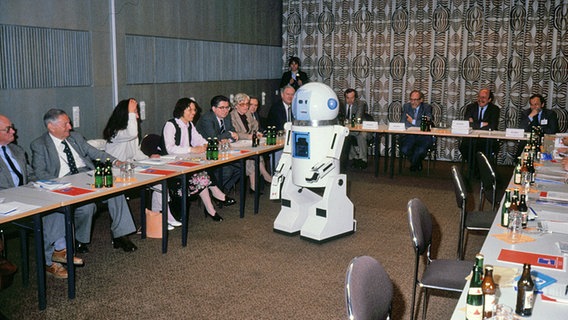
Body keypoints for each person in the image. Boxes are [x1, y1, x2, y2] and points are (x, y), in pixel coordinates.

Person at [31, 109, 138, 253]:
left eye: (69, 122)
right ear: (51, 127)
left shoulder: (75, 137)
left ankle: (120, 234)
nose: (70, 126)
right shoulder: (40, 145)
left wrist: (117, 162)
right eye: (66, 124)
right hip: (64, 181)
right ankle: (80, 240)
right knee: (87, 207)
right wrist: (60, 183)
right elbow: (39, 173)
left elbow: (96, 153)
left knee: (115, 190)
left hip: (86, 175)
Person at [0, 114, 81, 279]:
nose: (14, 131)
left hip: (26, 196)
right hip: (6, 203)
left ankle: (59, 251)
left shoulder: (17, 150)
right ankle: (51, 259)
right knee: (46, 215)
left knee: (58, 204)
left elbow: (31, 175)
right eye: (8, 129)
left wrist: (47, 186)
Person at [102, 98, 180, 230]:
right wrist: (131, 112)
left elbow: (135, 152)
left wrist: (148, 157)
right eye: (134, 113)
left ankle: (161, 215)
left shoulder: (129, 132)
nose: (137, 116)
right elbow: (131, 133)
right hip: (116, 171)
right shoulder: (116, 131)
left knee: (160, 180)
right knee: (156, 182)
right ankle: (162, 216)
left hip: (130, 168)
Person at [162, 98, 236, 221]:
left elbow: (199, 140)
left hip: (185, 161)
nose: (193, 112)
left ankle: (211, 208)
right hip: (170, 163)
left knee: (202, 173)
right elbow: (170, 149)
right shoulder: (171, 125)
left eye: (194, 110)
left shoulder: (190, 125)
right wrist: (191, 149)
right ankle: (217, 196)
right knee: (202, 174)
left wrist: (208, 144)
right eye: (189, 110)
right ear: (181, 110)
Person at [195, 95, 241, 193]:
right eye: (222, 108)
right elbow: (214, 138)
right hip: (207, 153)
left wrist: (228, 138)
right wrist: (228, 135)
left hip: (221, 151)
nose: (225, 111)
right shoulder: (207, 118)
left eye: (227, 108)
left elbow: (233, 133)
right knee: (227, 171)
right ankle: (216, 192)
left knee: (241, 167)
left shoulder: (227, 116)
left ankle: (223, 190)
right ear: (214, 109)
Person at [229, 93, 273, 193]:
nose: (245, 106)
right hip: (236, 144)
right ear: (236, 105)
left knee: (255, 152)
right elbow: (235, 133)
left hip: (247, 143)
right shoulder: (232, 116)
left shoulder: (248, 114)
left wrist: (256, 133)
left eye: (247, 104)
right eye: (242, 104)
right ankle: (261, 180)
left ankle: (255, 184)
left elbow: (255, 126)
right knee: (251, 155)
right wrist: (248, 136)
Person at [459, 88, 500, 163]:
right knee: (465, 147)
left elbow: (492, 126)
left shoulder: (495, 109)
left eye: (483, 97)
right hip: (471, 139)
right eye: (479, 97)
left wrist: (474, 123)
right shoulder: (470, 107)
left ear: (489, 99)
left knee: (482, 150)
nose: (480, 99)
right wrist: (482, 124)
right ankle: (473, 170)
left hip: (487, 139)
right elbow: (467, 124)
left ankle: (478, 170)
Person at [399, 90, 434, 172]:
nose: (413, 102)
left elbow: (427, 122)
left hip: (423, 136)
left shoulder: (427, 107)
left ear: (421, 100)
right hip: (409, 136)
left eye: (415, 100)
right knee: (404, 149)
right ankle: (417, 163)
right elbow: (403, 122)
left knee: (421, 151)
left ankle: (414, 164)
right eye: (411, 99)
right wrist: (418, 123)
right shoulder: (406, 106)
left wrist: (413, 122)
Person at [267, 85, 296, 166]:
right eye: (288, 94)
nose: (290, 97)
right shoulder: (276, 108)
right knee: (279, 165)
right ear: (282, 95)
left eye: (292, 94)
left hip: (292, 140)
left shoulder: (296, 107)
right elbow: (274, 127)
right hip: (279, 142)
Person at [340, 88, 369, 170]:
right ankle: (354, 157)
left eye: (352, 98)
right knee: (343, 136)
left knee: (362, 135)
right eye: (347, 98)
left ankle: (363, 159)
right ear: (345, 97)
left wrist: (345, 121)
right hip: (347, 129)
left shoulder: (360, 104)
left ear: (355, 97)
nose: (350, 100)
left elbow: (357, 119)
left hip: (360, 128)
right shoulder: (341, 105)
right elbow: (339, 118)